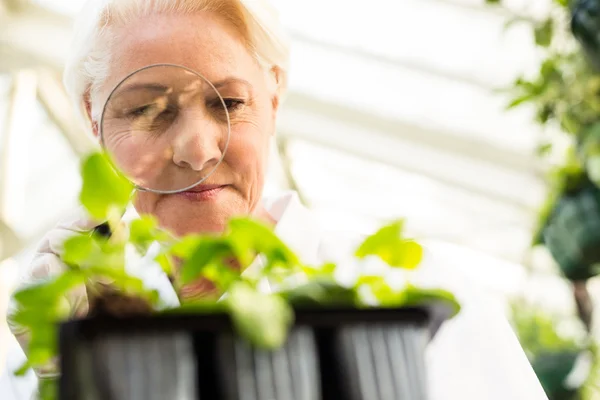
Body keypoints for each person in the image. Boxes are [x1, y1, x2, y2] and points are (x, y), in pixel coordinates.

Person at [6, 0, 549, 399]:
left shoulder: (417, 297)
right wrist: (67, 375)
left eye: (231, 101)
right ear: (92, 117)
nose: (197, 151)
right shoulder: (26, 328)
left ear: (274, 93)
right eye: (147, 110)